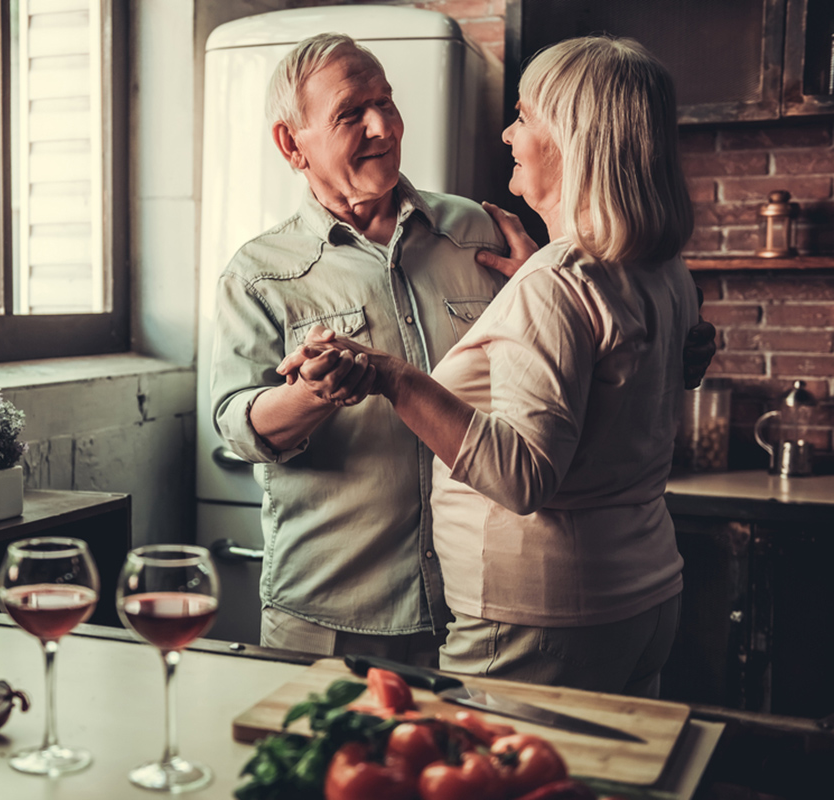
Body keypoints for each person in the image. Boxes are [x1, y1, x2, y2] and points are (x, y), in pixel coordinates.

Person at [281, 35, 699, 697]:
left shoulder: (559, 283)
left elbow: (524, 478)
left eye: (526, 117)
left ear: (570, 138)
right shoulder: (660, 268)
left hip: (544, 617)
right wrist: (541, 275)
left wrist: (394, 376)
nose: (509, 133)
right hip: (644, 597)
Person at [210, 33, 508, 666]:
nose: (383, 126)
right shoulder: (259, 273)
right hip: (331, 615)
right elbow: (237, 427)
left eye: (387, 102)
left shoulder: (477, 233)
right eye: (351, 113)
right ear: (292, 144)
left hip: (480, 609)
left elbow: (540, 368)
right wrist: (312, 393)